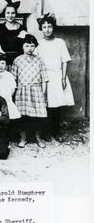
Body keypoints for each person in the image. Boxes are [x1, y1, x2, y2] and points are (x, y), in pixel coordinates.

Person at [36, 13, 74, 142]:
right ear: (41, 28)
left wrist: (63, 78)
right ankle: (45, 132)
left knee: (56, 106)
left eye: (49, 26)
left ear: (53, 28)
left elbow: (65, 61)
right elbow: (36, 62)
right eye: (44, 26)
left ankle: (55, 132)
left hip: (57, 76)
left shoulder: (60, 42)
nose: (47, 29)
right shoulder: (38, 44)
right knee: (46, 105)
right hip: (44, 77)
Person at [12, 34, 48, 148]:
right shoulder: (17, 60)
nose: (29, 48)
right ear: (22, 47)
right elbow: (13, 79)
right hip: (22, 90)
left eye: (32, 46)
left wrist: (44, 94)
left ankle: (38, 137)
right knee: (23, 116)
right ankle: (23, 137)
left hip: (36, 89)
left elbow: (44, 78)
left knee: (38, 116)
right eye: (27, 46)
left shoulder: (39, 60)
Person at [0, 0, 27, 67]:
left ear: (16, 14)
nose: (10, 15)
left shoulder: (22, 28)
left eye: (13, 13)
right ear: (4, 14)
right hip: (4, 61)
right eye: (8, 13)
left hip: (19, 61)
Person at [0, 52, 21, 120]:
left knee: (8, 114)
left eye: (3, 63)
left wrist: (9, 95)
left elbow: (13, 87)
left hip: (6, 98)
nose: (0, 65)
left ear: (6, 64)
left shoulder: (9, 75)